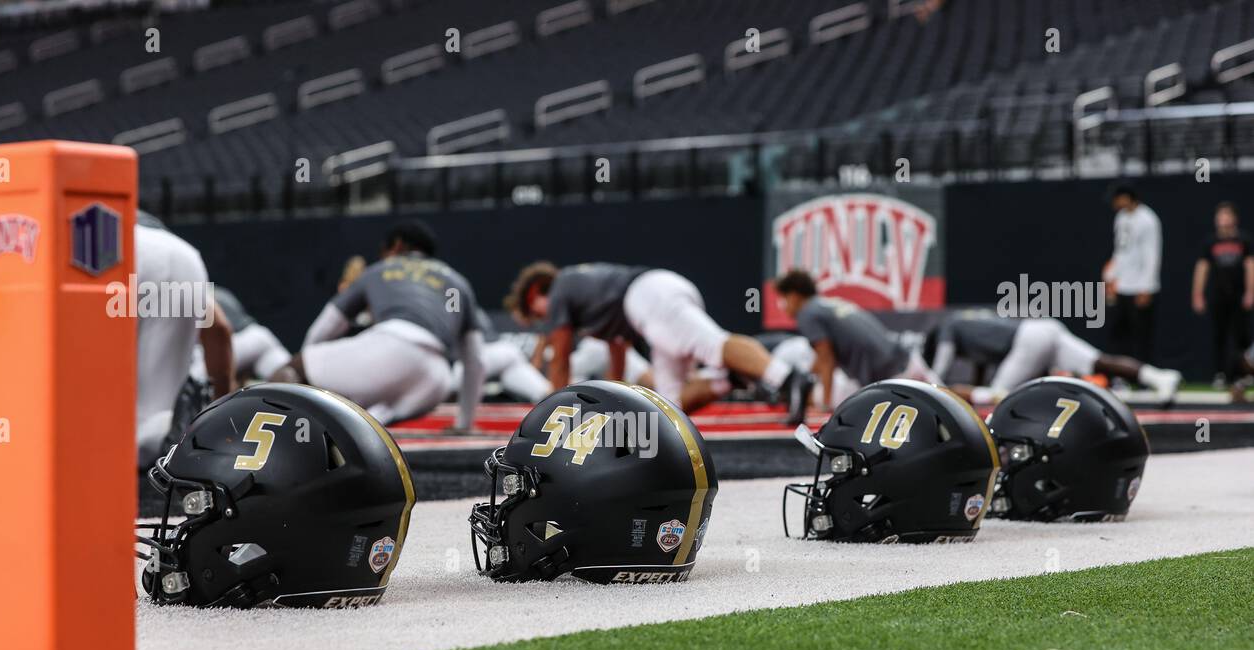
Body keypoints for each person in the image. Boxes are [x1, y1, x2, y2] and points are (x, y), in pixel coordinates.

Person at [505, 262, 808, 417]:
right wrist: (615, 403)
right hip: (649, 298)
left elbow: (559, 360)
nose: (542, 322)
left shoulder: (561, 289)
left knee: (713, 343)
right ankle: (728, 378)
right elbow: (618, 350)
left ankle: (787, 377)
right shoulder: (586, 290)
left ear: (534, 294)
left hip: (648, 296)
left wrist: (554, 415)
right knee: (670, 407)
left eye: (536, 315)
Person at [272, 220, 483, 429]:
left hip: (390, 351)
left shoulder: (380, 269)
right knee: (369, 417)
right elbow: (475, 361)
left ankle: (257, 432)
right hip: (437, 379)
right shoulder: (458, 283)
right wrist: (464, 424)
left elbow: (324, 328)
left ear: (397, 245)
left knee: (294, 369)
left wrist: (307, 372)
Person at [135, 214, 235, 468]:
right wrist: (224, 418)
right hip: (183, 256)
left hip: (113, 242)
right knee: (154, 419)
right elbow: (219, 328)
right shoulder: (166, 241)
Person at [773, 270, 938, 414]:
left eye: (783, 298)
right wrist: (810, 372)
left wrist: (825, 404)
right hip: (909, 362)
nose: (782, 306)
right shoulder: (829, 303)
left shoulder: (807, 314)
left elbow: (827, 359)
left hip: (891, 380)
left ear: (794, 296)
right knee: (953, 405)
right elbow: (825, 358)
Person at [929, 312, 1181, 405]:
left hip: (1027, 338)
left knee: (999, 396)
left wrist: (933, 390)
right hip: (1043, 328)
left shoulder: (948, 325)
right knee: (1099, 361)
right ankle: (1159, 377)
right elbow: (980, 368)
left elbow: (941, 365)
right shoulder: (969, 327)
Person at [1192, 201, 1254, 398]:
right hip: (1219, 295)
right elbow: (1202, 268)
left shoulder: (1243, 240)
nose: (1223, 220)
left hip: (1239, 294)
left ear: (1234, 218)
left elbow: (1250, 266)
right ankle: (1220, 374)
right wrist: (1197, 294)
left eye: (1226, 216)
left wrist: (1251, 291)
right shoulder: (1211, 242)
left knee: (1241, 336)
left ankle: (1244, 375)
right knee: (1219, 335)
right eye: (1220, 216)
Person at [1104, 183, 1162, 362]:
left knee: (1141, 335)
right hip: (1122, 284)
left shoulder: (1147, 219)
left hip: (1140, 286)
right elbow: (1120, 250)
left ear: (1127, 198)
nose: (1114, 204)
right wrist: (1110, 277)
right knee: (1119, 333)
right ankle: (1122, 375)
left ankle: (1143, 377)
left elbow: (1152, 253)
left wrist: (1146, 287)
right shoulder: (1121, 218)